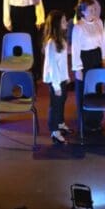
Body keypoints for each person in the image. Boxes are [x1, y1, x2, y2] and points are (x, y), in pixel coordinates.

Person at [71, 0, 105, 134]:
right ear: (83, 12)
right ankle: (85, 122)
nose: (93, 12)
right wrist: (78, 69)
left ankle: (96, 120)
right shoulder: (79, 27)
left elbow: (103, 41)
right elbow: (75, 49)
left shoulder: (99, 22)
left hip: (96, 58)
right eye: (90, 10)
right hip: (85, 59)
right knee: (85, 91)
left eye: (94, 9)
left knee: (97, 89)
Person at [2, 0, 45, 65]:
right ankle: (19, 68)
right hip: (16, 14)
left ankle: (35, 70)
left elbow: (38, 1)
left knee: (32, 41)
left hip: (29, 13)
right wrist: (7, 21)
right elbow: (6, 3)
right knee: (17, 41)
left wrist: (40, 18)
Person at [42, 9, 72, 144]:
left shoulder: (62, 40)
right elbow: (52, 66)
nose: (66, 22)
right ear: (57, 24)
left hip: (61, 78)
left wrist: (66, 76)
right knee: (55, 104)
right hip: (55, 80)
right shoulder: (51, 43)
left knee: (62, 101)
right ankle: (54, 131)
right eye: (64, 20)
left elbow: (63, 62)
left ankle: (60, 123)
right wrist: (56, 85)